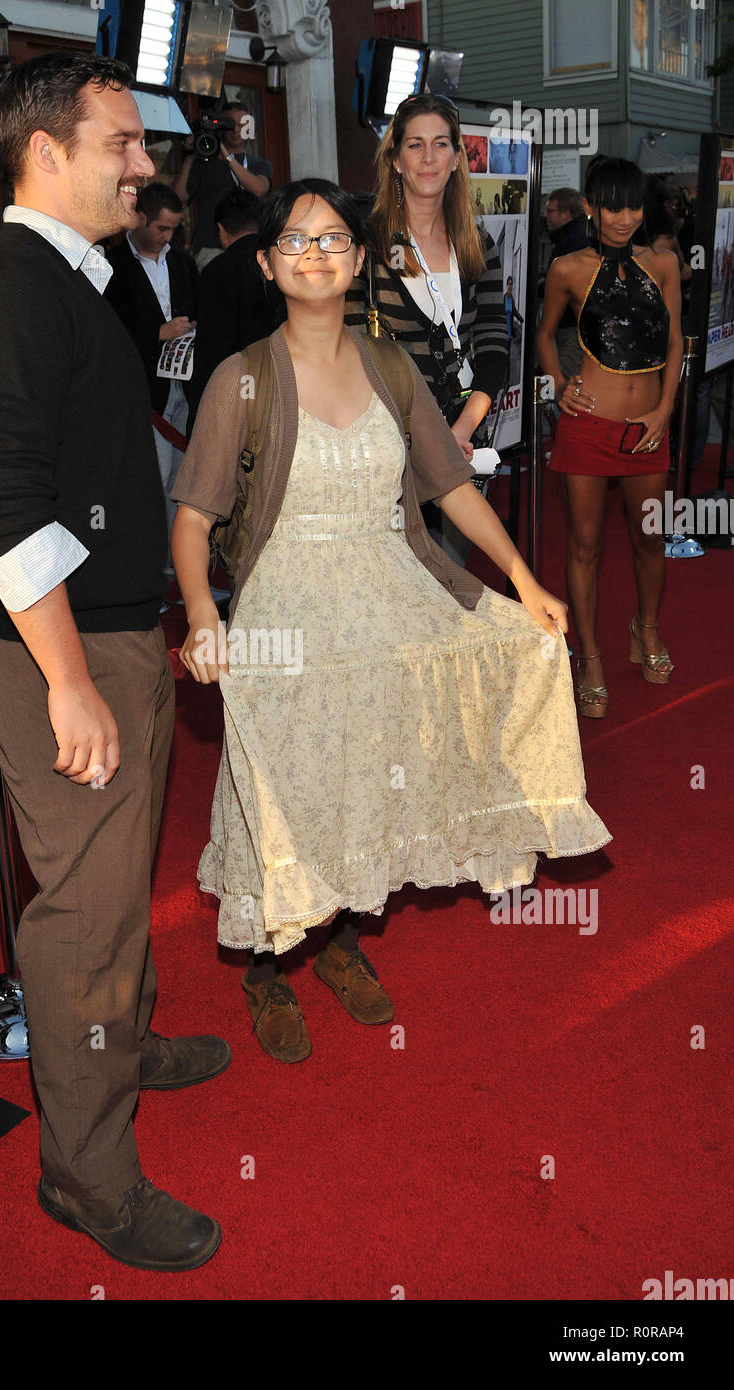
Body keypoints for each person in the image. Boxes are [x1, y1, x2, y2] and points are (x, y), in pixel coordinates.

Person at [171, 178, 610, 1062]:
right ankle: (267, 968)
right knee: (289, 789)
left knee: (373, 770)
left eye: (333, 238)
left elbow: (448, 480)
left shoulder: (387, 361)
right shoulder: (241, 378)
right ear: (265, 264)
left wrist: (523, 579)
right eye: (294, 242)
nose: (316, 254)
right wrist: (199, 618)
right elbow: (190, 519)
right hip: (286, 610)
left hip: (388, 589)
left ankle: (339, 943)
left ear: (359, 259)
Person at [0, 51, 229, 1272]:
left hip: (110, 624)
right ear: (46, 151)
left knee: (116, 881)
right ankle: (86, 1176)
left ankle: (124, 1035)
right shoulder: (6, 286)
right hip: (58, 642)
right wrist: (64, 676)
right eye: (123, 141)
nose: (146, 164)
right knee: (87, 914)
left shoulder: (82, 270)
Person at [536, 156, 682, 719]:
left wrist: (665, 409)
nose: (624, 218)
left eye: (634, 207)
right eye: (613, 207)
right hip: (587, 428)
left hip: (648, 430)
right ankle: (590, 656)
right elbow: (545, 334)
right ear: (591, 208)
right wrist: (556, 383)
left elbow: (672, 342)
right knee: (584, 546)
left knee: (650, 540)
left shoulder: (665, 263)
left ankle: (645, 629)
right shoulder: (567, 268)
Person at [345, 93, 508, 567]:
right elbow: (351, 349)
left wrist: (458, 431)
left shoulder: (478, 244)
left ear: (458, 158)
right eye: (415, 145)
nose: (429, 158)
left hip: (461, 439)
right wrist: (417, 438)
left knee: (452, 580)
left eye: (440, 144)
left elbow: (495, 344)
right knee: (394, 585)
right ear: (395, 160)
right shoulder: (368, 245)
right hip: (386, 444)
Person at [104, 183, 199, 567]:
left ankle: (180, 566)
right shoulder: (112, 265)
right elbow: (105, 332)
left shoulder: (181, 262)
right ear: (140, 218)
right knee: (151, 483)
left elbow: (198, 309)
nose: (167, 237)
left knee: (182, 485)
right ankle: (150, 567)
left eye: (174, 229)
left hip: (183, 384)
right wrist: (157, 334)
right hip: (142, 392)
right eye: (162, 228)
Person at [188, 187, 286, 420]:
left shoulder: (216, 271)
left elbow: (211, 348)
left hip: (234, 389)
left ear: (221, 229)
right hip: (282, 381)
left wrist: (198, 413)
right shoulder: (282, 262)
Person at [172, 101, 272, 269]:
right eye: (230, 124)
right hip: (211, 248)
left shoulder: (258, 164)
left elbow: (259, 189)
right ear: (221, 128)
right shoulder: (203, 163)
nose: (236, 130)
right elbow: (178, 197)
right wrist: (189, 158)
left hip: (251, 246)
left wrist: (226, 155)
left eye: (242, 124)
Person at [544, 187, 591, 380]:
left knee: (564, 380)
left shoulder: (573, 242)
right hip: (567, 326)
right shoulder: (567, 238)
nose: (545, 215)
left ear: (566, 213)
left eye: (550, 211)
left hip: (572, 327)